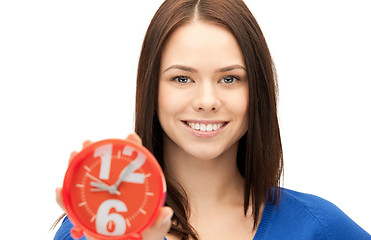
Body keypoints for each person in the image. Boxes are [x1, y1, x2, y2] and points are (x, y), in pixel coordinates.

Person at [54, 0, 371, 239]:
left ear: (258, 90)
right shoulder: (94, 229)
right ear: (151, 90)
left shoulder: (318, 227)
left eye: (230, 79)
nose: (207, 101)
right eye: (181, 79)